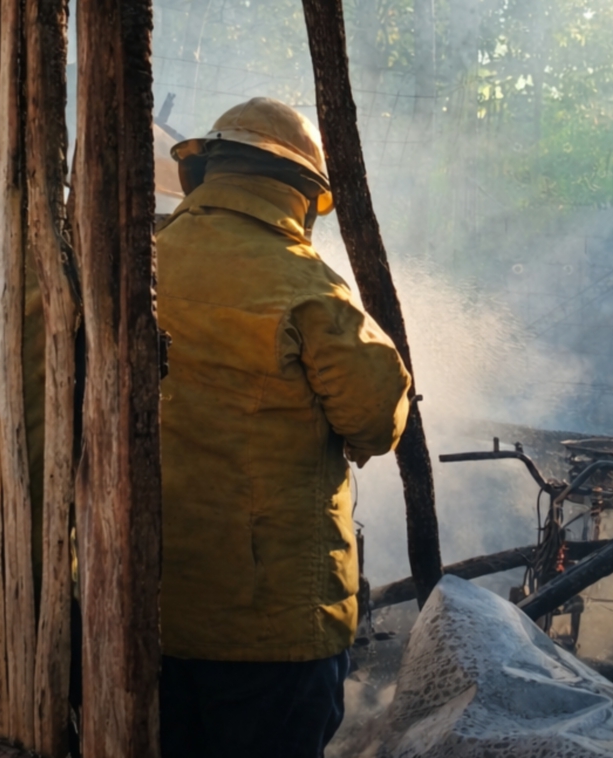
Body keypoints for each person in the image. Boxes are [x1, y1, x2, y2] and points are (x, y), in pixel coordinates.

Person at [156, 97, 412, 757]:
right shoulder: (310, 290)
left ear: (205, 171)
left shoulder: (138, 264)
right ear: (302, 194)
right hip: (271, 626)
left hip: (143, 607)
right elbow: (375, 423)